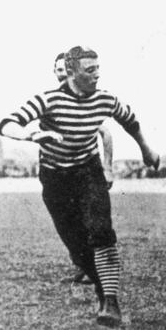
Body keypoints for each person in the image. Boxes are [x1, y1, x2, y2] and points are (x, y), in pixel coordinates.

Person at [0, 46, 159, 327]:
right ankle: (101, 285)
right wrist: (34, 134)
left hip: (88, 171)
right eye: (90, 70)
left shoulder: (104, 99)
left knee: (101, 232)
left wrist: (146, 149)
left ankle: (110, 301)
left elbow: (130, 120)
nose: (97, 75)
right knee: (76, 246)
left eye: (98, 68)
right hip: (55, 178)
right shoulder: (48, 99)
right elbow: (7, 123)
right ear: (71, 72)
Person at [53, 52, 115, 285]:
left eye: (63, 70)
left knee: (89, 222)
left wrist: (107, 168)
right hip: (58, 173)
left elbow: (105, 133)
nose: (61, 75)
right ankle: (84, 266)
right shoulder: (52, 101)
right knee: (67, 222)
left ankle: (93, 269)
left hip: (85, 171)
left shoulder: (87, 100)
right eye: (58, 71)